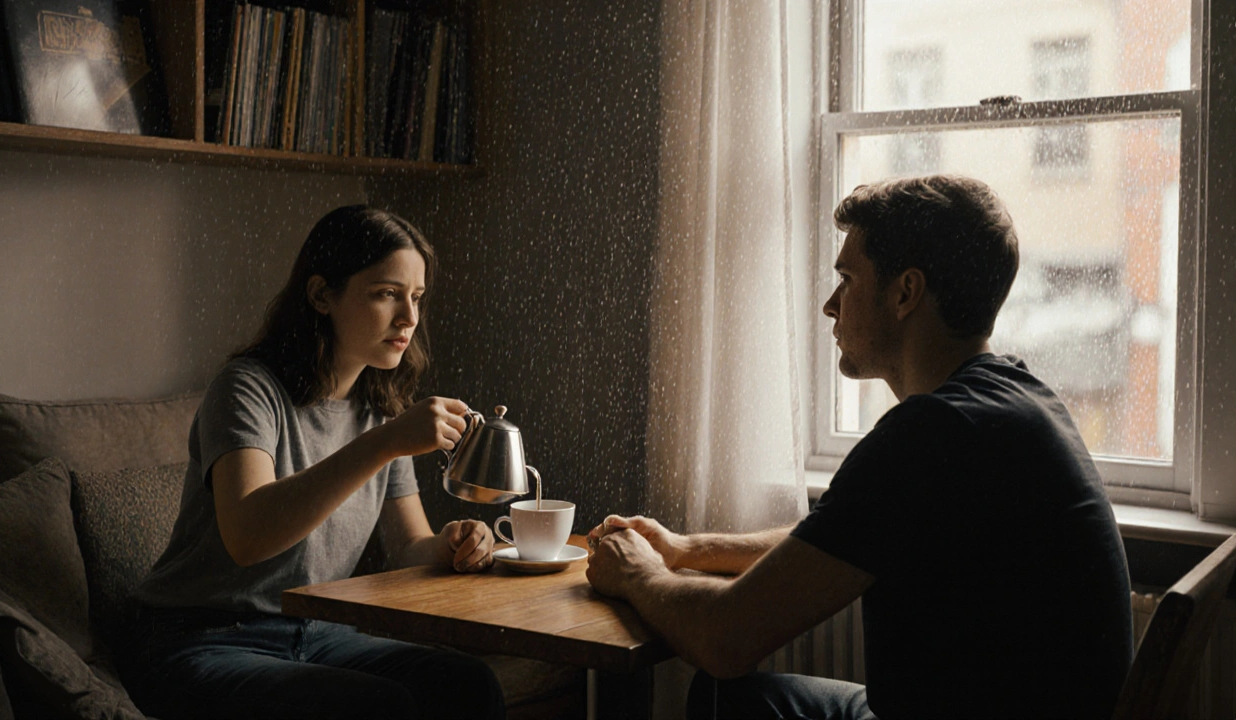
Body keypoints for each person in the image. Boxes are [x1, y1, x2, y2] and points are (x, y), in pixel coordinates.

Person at [586, 175, 1134, 720]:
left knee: (722, 688)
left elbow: (724, 640)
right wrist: (688, 551)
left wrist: (638, 573)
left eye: (847, 277)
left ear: (905, 292)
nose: (830, 304)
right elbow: (843, 534)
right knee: (729, 701)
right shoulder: (1012, 399)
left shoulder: (929, 436)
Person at [124, 205, 507, 720]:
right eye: (386, 294)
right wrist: (385, 442)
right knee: (377, 704)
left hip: (316, 632)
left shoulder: (379, 410)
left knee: (468, 684)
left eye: (416, 298)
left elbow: (407, 547)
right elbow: (248, 537)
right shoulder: (247, 390)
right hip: (198, 637)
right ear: (321, 294)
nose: (410, 318)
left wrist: (453, 545)